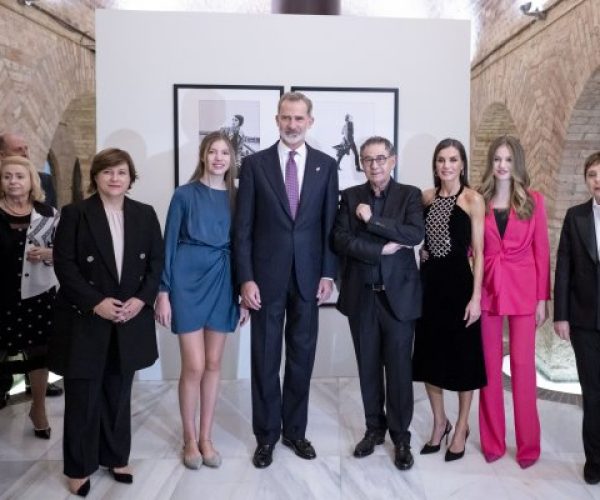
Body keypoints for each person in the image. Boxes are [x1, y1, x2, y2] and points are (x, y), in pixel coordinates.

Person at [49, 148, 163, 497]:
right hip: (86, 318)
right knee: (83, 395)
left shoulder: (145, 214)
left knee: (118, 391)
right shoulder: (75, 214)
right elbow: (64, 265)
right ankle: (79, 466)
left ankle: (115, 456)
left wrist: (141, 300)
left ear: (131, 179)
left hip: (129, 317)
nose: (115, 178)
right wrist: (95, 302)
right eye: (108, 172)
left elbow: (156, 264)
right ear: (96, 177)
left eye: (122, 172)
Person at [233, 91, 338, 468]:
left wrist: (328, 272)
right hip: (265, 279)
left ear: (310, 121)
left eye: (299, 118)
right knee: (264, 357)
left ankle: (295, 431)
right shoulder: (255, 165)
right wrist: (245, 279)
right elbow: (242, 229)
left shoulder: (326, 166)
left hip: (310, 278)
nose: (292, 125)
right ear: (277, 120)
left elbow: (329, 226)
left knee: (301, 358)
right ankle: (266, 436)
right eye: (286, 118)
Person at [155, 132, 249, 470]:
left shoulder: (238, 197)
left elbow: (243, 248)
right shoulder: (184, 194)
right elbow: (168, 245)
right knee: (193, 365)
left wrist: (242, 294)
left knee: (212, 364)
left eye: (225, 152)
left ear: (231, 159)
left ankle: (207, 436)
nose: (219, 158)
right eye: (213, 151)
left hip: (223, 281)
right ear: (203, 156)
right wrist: (163, 292)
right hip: (186, 281)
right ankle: (189, 438)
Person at [332, 136, 424, 470]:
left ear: (393, 160)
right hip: (363, 297)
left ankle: (401, 438)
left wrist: (373, 222)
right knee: (368, 367)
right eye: (368, 159)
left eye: (381, 158)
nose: (375, 165)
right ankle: (374, 429)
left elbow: (414, 234)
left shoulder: (410, 195)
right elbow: (340, 240)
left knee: (399, 370)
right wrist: (379, 248)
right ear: (361, 163)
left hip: (399, 298)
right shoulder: (350, 196)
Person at [478, 135, 550, 469]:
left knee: (522, 369)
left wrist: (541, 299)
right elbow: (471, 250)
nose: (502, 166)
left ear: (516, 164)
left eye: (508, 160)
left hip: (523, 292)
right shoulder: (479, 201)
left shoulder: (534, 201)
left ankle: (528, 447)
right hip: (489, 290)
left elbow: (542, 252)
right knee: (489, 370)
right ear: (491, 164)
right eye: (497, 159)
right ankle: (492, 442)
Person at [412, 138, 486, 462]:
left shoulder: (473, 199)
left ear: (462, 164)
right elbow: (416, 237)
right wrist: (421, 251)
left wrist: (477, 297)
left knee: (463, 360)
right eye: (441, 160)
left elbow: (480, 253)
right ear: (435, 165)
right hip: (429, 287)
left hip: (459, 288)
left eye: (453, 160)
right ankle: (439, 422)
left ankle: (461, 427)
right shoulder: (425, 197)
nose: (447, 166)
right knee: (430, 357)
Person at [0, 132, 62, 400]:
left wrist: (50, 252)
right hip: (2, 292)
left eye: (26, 148)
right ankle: (3, 389)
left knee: (40, 349)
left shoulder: (47, 210)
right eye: (18, 148)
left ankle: (38, 405)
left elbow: (67, 249)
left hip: (37, 292)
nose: (24, 152)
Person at [554, 151, 600, 484]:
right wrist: (561, 316)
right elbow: (564, 269)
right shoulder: (575, 217)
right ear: (586, 180)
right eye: (593, 174)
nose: (598, 180)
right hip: (585, 321)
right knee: (593, 393)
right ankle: (595, 460)